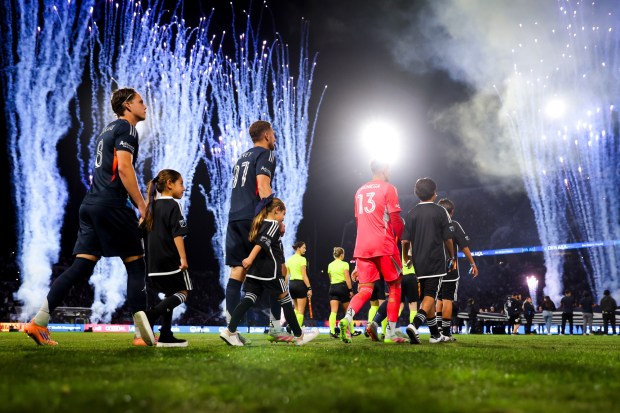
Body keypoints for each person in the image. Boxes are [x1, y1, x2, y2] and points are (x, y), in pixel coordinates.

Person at [24, 88, 149, 346]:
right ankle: (141, 335)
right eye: (140, 101)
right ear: (127, 105)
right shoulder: (128, 129)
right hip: (112, 205)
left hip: (90, 205)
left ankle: (38, 322)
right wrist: (142, 205)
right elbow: (124, 169)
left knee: (80, 267)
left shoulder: (107, 130)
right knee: (136, 265)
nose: (145, 106)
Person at [223, 120, 290, 343]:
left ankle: (230, 331)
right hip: (254, 219)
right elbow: (263, 186)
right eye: (273, 134)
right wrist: (274, 218)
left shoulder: (242, 157)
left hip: (234, 217)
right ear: (267, 136)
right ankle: (275, 327)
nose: (275, 138)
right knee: (278, 269)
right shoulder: (266, 154)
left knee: (237, 272)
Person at [219, 198, 319, 346]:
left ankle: (229, 331)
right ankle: (299, 335)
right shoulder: (272, 224)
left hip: (255, 272)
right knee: (285, 300)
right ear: (276, 210)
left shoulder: (259, 223)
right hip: (270, 271)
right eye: (283, 214)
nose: (283, 218)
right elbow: (262, 243)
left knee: (248, 300)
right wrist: (250, 259)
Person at [339, 159, 407, 344]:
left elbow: (359, 222)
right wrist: (406, 240)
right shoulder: (389, 188)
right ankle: (391, 333)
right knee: (395, 286)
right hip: (384, 244)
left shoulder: (359, 191)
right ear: (385, 168)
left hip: (362, 246)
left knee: (365, 290)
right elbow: (395, 220)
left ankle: (347, 319)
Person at [133, 170, 191, 347]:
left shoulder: (150, 207)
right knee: (183, 292)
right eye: (181, 183)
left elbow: (140, 232)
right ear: (170, 184)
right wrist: (183, 258)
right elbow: (177, 234)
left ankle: (165, 334)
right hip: (171, 260)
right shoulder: (173, 205)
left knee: (169, 294)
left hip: (153, 264)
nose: (184, 188)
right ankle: (151, 315)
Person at [403, 178, 455, 344]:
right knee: (430, 297)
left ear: (417, 193)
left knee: (428, 298)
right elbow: (448, 238)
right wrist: (452, 256)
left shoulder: (411, 213)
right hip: (435, 261)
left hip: (418, 262)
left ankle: (434, 335)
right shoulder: (441, 212)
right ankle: (414, 325)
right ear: (434, 193)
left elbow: (404, 241)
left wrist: (406, 258)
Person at [436, 198, 478, 341]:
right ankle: (446, 333)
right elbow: (464, 246)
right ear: (452, 212)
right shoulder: (453, 225)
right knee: (447, 299)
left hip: (433, 268)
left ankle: (438, 330)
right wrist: (473, 264)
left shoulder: (432, 226)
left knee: (438, 299)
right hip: (450, 268)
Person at [327, 247, 353, 338]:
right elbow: (347, 277)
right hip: (342, 287)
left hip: (333, 287)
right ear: (341, 255)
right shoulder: (345, 264)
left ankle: (332, 331)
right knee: (348, 311)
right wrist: (350, 290)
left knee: (333, 311)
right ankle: (351, 331)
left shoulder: (330, 265)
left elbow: (330, 277)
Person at [286, 241, 312, 328]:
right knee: (301, 311)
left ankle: (291, 326)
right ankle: (297, 331)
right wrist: (309, 288)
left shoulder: (289, 260)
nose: (305, 249)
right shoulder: (302, 259)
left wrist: (286, 287)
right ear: (298, 248)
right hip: (300, 284)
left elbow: (287, 275)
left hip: (291, 285)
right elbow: (304, 276)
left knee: (296, 309)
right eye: (304, 247)